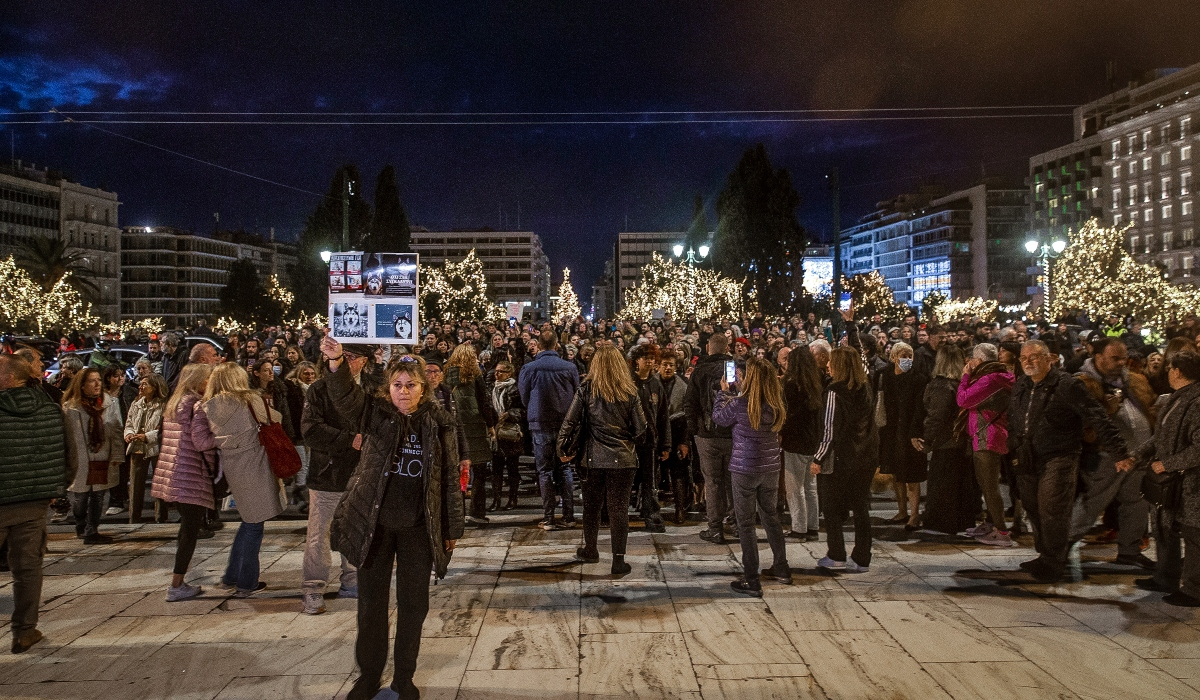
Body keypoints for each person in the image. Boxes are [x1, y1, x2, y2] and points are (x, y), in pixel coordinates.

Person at [321, 339, 464, 700]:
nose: (404, 392)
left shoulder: (440, 422)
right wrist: (336, 361)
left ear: (424, 388)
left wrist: (452, 528)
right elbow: (344, 399)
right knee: (371, 604)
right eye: (397, 385)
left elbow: (449, 478)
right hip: (375, 526)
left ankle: (404, 678)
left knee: (414, 606)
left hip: (418, 527)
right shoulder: (375, 413)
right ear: (388, 388)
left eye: (411, 385)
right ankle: (369, 676)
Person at [1008, 340, 1132, 582]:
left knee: (1052, 509)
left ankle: (1053, 562)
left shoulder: (1066, 385)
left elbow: (1096, 417)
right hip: (1027, 456)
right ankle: (1045, 554)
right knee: (1033, 508)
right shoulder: (1022, 384)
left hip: (1059, 456)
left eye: (1034, 357)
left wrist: (1119, 452)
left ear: (1049, 359)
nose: (1028, 361)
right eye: (1024, 358)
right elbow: (1014, 417)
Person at [558, 344, 647, 575]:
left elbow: (570, 420)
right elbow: (641, 429)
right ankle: (618, 560)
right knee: (619, 510)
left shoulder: (587, 389)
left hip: (592, 458)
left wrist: (561, 446)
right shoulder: (630, 391)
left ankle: (591, 549)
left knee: (591, 507)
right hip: (623, 458)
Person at [198, 362, 285, 597]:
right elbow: (275, 417)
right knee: (254, 525)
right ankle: (247, 582)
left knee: (248, 521)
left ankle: (231, 576)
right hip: (255, 464)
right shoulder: (249, 400)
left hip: (234, 467)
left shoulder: (208, 406)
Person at [0, 355, 67, 653]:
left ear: (10, 378)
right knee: (27, 569)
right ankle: (24, 631)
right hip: (36, 501)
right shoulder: (51, 409)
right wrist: (55, 488)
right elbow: (70, 454)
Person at [1070, 337, 1157, 568]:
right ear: (1097, 357)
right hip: (1106, 457)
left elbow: (1150, 406)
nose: (1121, 362)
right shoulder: (1083, 383)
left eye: (1123, 357)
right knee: (1091, 504)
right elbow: (1081, 423)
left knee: (1136, 504)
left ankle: (1130, 550)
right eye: (1115, 358)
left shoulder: (1135, 380)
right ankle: (1059, 547)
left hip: (1138, 455)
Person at [713, 356, 789, 596]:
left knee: (746, 524)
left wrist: (723, 393)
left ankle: (751, 579)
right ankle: (782, 567)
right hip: (770, 467)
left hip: (744, 468)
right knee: (771, 517)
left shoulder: (739, 403)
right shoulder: (776, 403)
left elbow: (719, 419)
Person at [299, 348, 367, 615]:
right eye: (342, 356)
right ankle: (313, 587)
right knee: (320, 533)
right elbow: (310, 430)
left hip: (361, 473)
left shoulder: (370, 388)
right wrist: (348, 440)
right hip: (328, 473)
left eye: (352, 357)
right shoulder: (318, 390)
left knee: (356, 529)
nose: (346, 361)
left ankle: (352, 579)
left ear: (364, 361)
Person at [1133, 350, 1200, 606]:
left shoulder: (1196, 401)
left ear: (1178, 371)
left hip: (1191, 484)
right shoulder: (1178, 398)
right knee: (1165, 528)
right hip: (1171, 483)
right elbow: (1162, 436)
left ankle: (1194, 590)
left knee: (1194, 535)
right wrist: (1138, 455)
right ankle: (1165, 577)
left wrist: (1167, 464)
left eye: (1169, 367)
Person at [153, 364, 218, 601]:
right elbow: (201, 442)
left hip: (173, 473)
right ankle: (176, 585)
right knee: (189, 532)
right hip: (191, 474)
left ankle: (178, 582)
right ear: (199, 381)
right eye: (208, 378)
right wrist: (221, 437)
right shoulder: (197, 405)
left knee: (186, 530)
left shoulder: (175, 404)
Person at [812, 346, 879, 572]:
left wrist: (818, 459)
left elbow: (829, 430)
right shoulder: (865, 387)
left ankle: (836, 553)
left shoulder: (834, 392)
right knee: (861, 507)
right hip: (865, 456)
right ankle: (862, 557)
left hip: (841, 457)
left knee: (831, 506)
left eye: (832, 362)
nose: (828, 365)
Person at [518, 329, 581, 530]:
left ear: (539, 346)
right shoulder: (569, 368)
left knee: (544, 470)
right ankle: (569, 515)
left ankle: (549, 518)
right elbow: (577, 395)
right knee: (564, 468)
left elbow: (524, 396)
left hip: (541, 423)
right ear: (556, 345)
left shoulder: (529, 368)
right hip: (565, 424)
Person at [917, 344, 980, 536]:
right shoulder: (959, 384)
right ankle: (960, 520)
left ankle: (943, 522)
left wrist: (926, 439)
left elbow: (937, 416)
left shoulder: (941, 385)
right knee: (958, 484)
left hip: (945, 442)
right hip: (960, 441)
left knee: (943, 484)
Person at [957, 343, 1015, 546]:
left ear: (979, 361)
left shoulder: (989, 379)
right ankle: (991, 523)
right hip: (990, 434)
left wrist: (965, 377)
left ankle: (1001, 531)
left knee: (989, 486)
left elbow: (963, 399)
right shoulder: (1000, 376)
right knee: (987, 484)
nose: (969, 363)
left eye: (972, 358)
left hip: (987, 436)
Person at [63, 367, 124, 545]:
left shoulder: (110, 403)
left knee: (98, 494)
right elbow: (66, 436)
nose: (97, 384)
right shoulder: (70, 407)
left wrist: (117, 455)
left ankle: (92, 531)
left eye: (98, 379)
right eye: (92, 381)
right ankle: (81, 523)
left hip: (101, 455)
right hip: (80, 458)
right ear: (82, 385)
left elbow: (116, 429)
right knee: (80, 497)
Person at [685, 332, 736, 543]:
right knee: (734, 481)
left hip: (706, 435)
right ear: (727, 348)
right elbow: (736, 396)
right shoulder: (732, 368)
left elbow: (690, 403)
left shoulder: (700, 370)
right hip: (733, 433)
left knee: (713, 482)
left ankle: (715, 528)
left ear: (708, 348)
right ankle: (736, 523)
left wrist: (693, 430)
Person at [445, 344, 498, 525]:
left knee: (457, 472)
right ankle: (477, 512)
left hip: (456, 429)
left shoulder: (446, 375)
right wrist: (491, 425)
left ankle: (457, 514)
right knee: (479, 474)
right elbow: (484, 402)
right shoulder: (476, 376)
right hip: (475, 429)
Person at [877, 342, 926, 529]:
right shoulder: (885, 376)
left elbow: (919, 409)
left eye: (910, 356)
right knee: (896, 474)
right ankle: (902, 510)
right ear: (894, 357)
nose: (907, 359)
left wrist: (915, 431)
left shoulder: (918, 379)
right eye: (903, 355)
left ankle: (914, 514)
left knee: (911, 475)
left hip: (909, 431)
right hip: (890, 430)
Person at [780, 345, 823, 541]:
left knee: (795, 487)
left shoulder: (791, 385)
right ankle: (813, 526)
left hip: (795, 441)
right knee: (810, 486)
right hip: (812, 440)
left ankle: (799, 528)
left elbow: (790, 415)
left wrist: (781, 431)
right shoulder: (815, 383)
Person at [630, 343, 670, 532]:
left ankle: (651, 515)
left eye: (652, 358)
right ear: (636, 360)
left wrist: (666, 444)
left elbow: (663, 416)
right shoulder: (629, 383)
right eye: (645, 357)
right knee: (627, 480)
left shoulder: (656, 384)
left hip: (649, 442)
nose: (649, 361)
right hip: (630, 442)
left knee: (650, 482)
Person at [123, 374, 169, 524]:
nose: (140, 387)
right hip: (137, 447)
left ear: (155, 387)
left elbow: (164, 428)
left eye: (144, 384)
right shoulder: (136, 403)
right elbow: (129, 422)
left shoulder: (163, 405)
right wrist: (129, 434)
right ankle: (134, 519)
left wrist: (148, 436)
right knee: (135, 486)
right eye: (140, 384)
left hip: (156, 448)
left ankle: (161, 518)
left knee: (159, 485)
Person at [659, 355, 691, 524]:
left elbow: (687, 415)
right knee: (654, 474)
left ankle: (680, 509)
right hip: (657, 433)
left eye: (671, 365)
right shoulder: (652, 383)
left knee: (679, 473)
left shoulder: (682, 386)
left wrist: (684, 441)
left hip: (677, 431)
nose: (668, 368)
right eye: (665, 364)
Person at [489, 361, 525, 511]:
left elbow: (523, 409)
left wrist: (509, 414)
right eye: (496, 371)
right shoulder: (492, 388)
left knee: (512, 468)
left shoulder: (515, 389)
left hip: (510, 432)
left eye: (501, 372)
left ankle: (512, 499)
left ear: (509, 373)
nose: (497, 374)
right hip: (495, 432)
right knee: (496, 469)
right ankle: (496, 499)